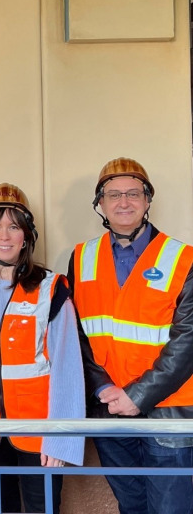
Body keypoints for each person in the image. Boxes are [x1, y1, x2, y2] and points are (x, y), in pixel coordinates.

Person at [69, 157, 193, 514]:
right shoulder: (81, 257)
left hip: (168, 412)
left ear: (147, 199)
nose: (124, 202)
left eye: (133, 193)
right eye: (113, 194)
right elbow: (76, 334)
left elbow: (187, 341)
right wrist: (102, 389)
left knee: (171, 509)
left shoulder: (183, 258)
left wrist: (137, 396)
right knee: (131, 506)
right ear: (100, 203)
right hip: (109, 411)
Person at [0, 183, 84, 514]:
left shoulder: (50, 289)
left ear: (26, 236)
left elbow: (68, 367)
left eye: (14, 226)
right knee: (1, 508)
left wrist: (61, 438)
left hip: (39, 431)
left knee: (43, 509)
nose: (4, 235)